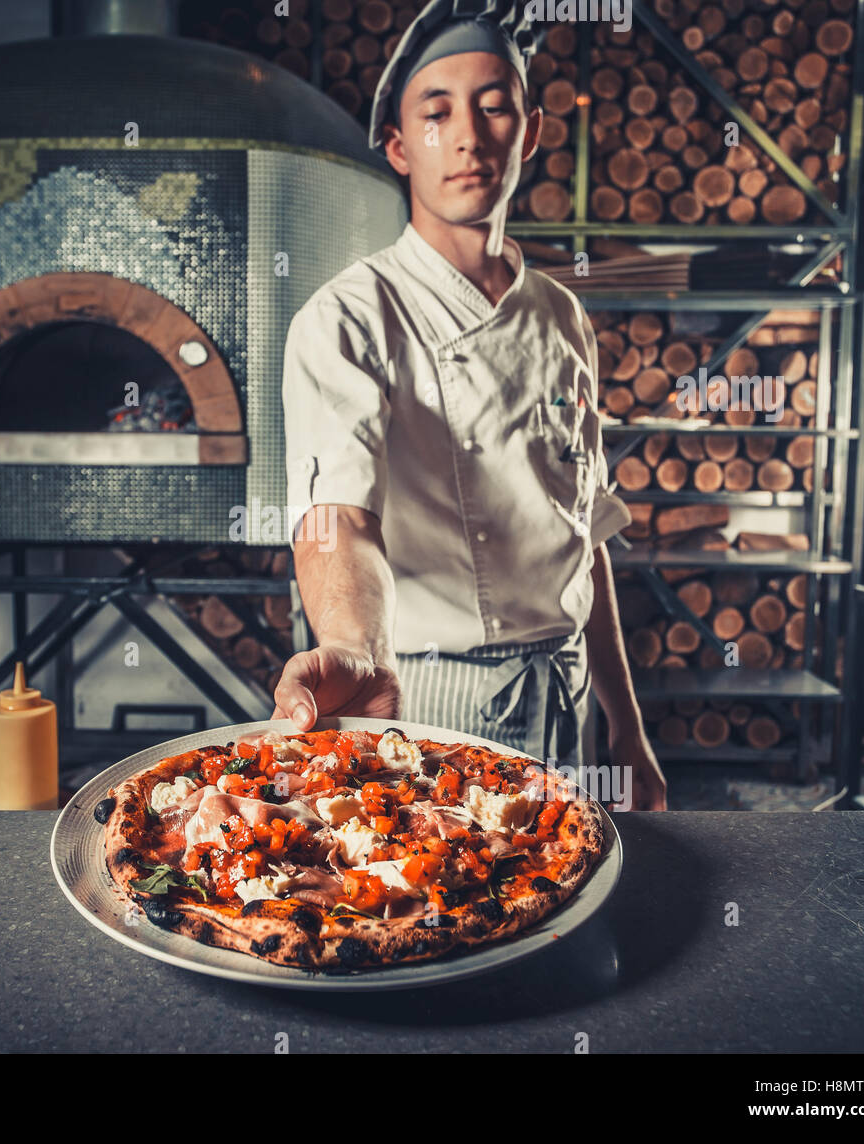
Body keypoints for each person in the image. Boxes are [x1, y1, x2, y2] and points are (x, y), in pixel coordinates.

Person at [271, 0, 667, 810]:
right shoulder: (349, 316)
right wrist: (355, 650)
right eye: (437, 111)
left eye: (494, 106)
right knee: (455, 920)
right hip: (428, 700)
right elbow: (336, 518)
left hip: (564, 690)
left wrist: (627, 728)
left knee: (566, 901)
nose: (467, 135)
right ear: (398, 147)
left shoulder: (562, 316)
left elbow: (584, 534)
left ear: (527, 134)